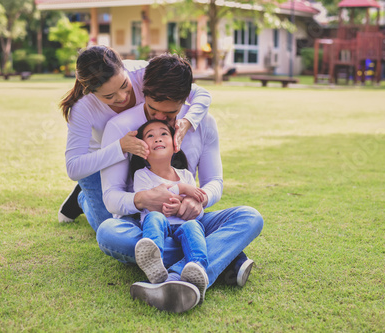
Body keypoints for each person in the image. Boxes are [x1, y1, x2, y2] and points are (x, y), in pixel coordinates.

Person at [96, 54, 263, 313]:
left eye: (171, 112)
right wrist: (142, 199)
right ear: (144, 92)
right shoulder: (120, 127)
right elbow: (111, 197)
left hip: (191, 222)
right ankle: (224, 260)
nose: (161, 119)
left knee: (250, 217)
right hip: (144, 223)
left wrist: (199, 199)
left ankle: (175, 278)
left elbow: (214, 181)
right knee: (109, 232)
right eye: (153, 110)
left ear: (186, 99)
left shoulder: (203, 123)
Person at [57, 46, 211, 232]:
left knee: (136, 212)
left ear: (123, 67)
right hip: (96, 162)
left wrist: (188, 121)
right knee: (106, 224)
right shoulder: (83, 108)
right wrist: (120, 147)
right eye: (109, 96)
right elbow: (74, 168)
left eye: (124, 85)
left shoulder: (142, 73)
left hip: (138, 151)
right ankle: (82, 199)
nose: (122, 97)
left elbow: (201, 94)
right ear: (91, 92)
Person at [132, 119, 210, 304]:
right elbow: (152, 200)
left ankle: (197, 268)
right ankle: (154, 259)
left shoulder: (186, 174)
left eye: (164, 134)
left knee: (193, 226)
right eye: (150, 136)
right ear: (144, 151)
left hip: (184, 223)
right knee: (154, 217)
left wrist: (182, 204)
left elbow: (197, 205)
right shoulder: (142, 175)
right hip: (160, 224)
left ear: (175, 146)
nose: (157, 138)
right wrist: (183, 189)